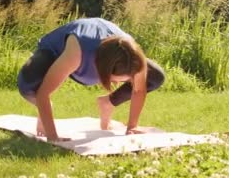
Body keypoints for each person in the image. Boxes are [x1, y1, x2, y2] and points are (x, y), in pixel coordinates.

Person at [17, 17, 165, 142]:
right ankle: (43, 109)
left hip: (105, 56)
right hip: (55, 52)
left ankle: (108, 103)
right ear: (105, 71)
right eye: (119, 80)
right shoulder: (76, 53)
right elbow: (43, 93)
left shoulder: (132, 56)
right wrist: (52, 136)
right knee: (28, 83)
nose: (122, 83)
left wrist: (132, 126)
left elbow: (139, 90)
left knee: (155, 77)